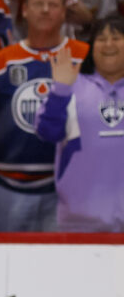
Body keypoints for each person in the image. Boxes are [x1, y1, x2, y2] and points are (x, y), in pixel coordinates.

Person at [0, 0, 88, 232]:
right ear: (24, 10)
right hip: (7, 190)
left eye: (53, 5)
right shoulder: (2, 61)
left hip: (68, 192)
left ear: (64, 12)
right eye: (39, 4)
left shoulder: (84, 57)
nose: (45, 10)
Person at [35, 15, 124, 231]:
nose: (108, 44)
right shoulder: (71, 86)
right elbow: (47, 132)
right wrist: (60, 91)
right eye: (101, 39)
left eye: (116, 37)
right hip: (79, 224)